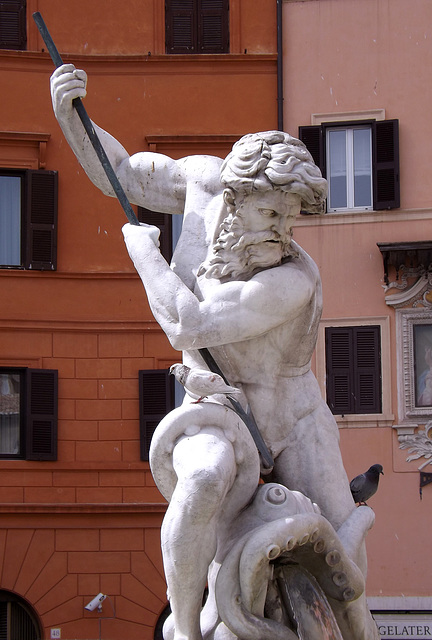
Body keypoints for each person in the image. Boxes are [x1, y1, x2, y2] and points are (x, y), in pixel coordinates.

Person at [50, 64, 379, 640]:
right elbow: (121, 173)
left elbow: (188, 323)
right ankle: (183, 626)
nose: (283, 230)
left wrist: (144, 254)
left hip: (294, 419)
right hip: (219, 405)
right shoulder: (202, 183)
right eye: (272, 212)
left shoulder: (292, 279)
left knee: (341, 564)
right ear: (236, 195)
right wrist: (71, 115)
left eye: (293, 216)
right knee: (203, 479)